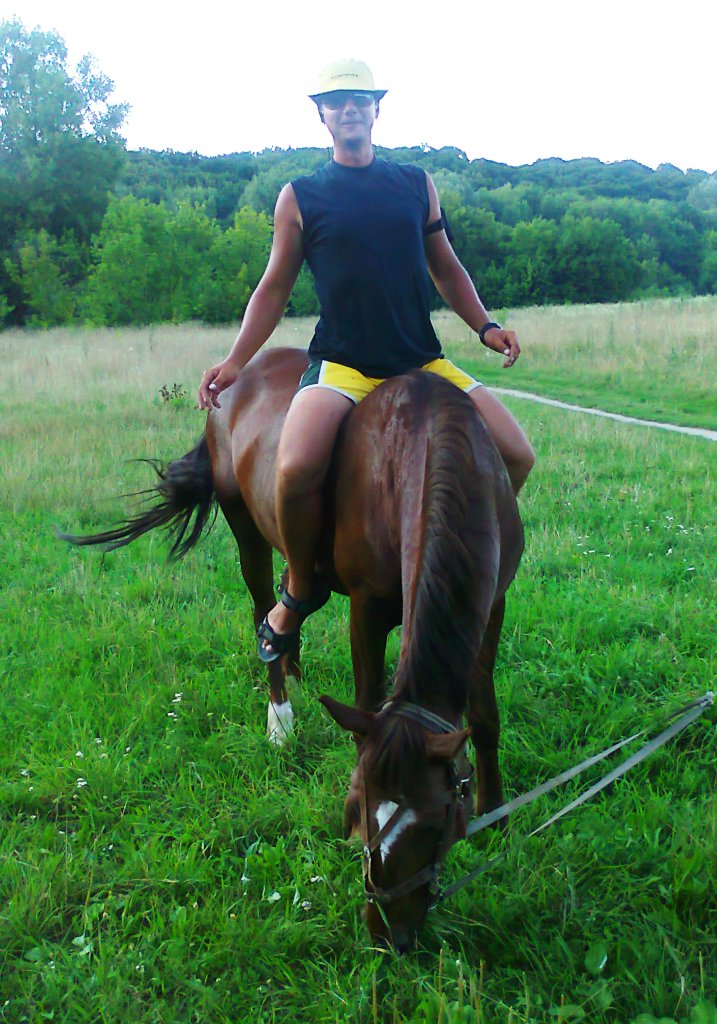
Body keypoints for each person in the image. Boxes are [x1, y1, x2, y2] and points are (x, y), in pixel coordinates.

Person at [197, 59, 535, 662]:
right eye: (337, 101)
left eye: (360, 99)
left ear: (377, 109)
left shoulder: (415, 184)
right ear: (322, 116)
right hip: (345, 365)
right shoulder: (300, 197)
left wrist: (484, 326)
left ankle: (459, 553)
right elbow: (274, 287)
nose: (349, 108)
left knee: (516, 452)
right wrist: (235, 361)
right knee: (295, 466)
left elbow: (445, 265)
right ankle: (300, 588)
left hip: (421, 362)